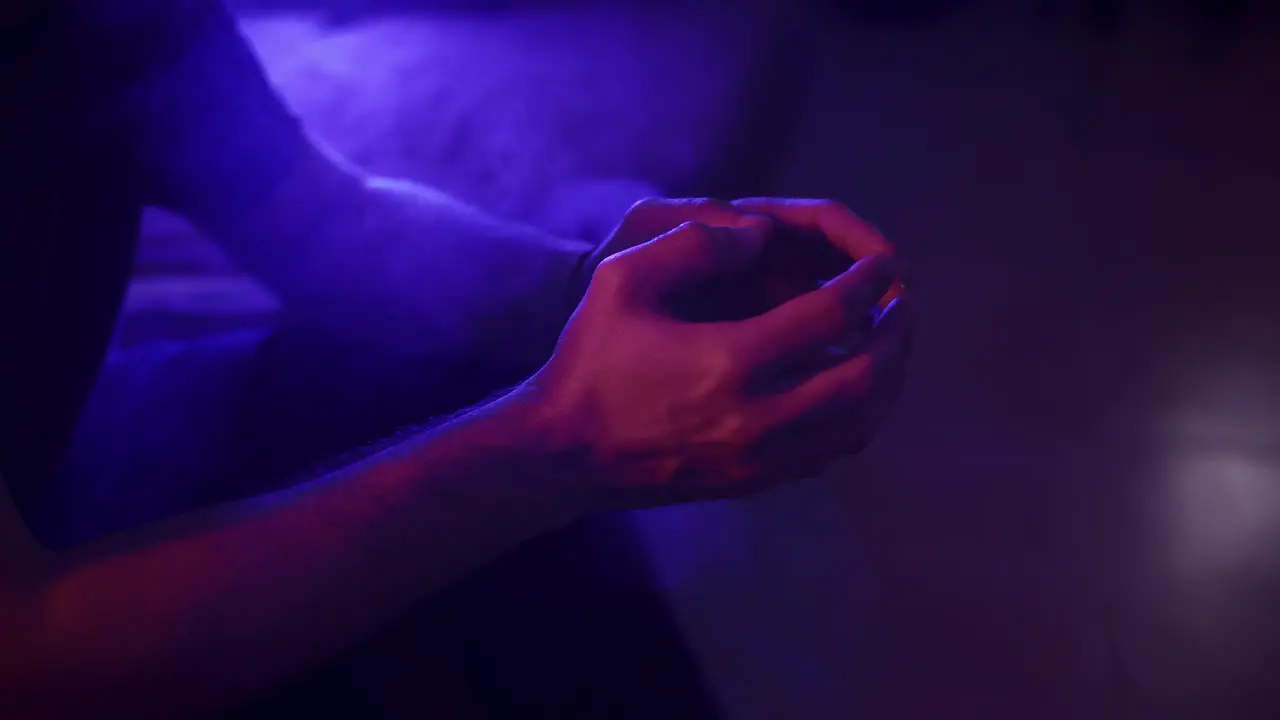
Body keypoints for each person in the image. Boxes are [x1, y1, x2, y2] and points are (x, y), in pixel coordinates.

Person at [0, 0, 916, 717]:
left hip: (79, 455)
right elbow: (26, 659)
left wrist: (582, 282)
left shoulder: (91, 23)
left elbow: (327, 224)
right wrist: (558, 442)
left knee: (437, 377)